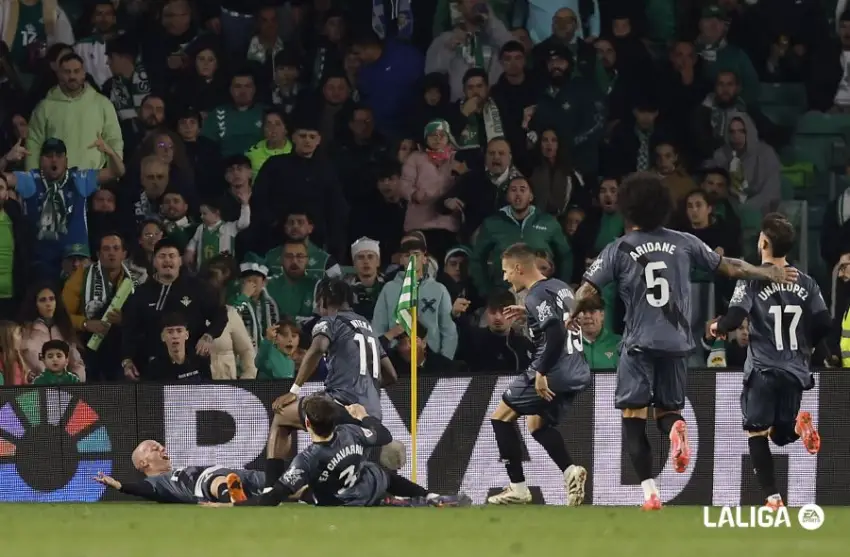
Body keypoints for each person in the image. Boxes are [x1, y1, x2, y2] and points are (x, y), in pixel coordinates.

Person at [572, 172, 799, 510]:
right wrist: (766, 271)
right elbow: (730, 267)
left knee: (633, 420)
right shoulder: (684, 241)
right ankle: (677, 427)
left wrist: (570, 312)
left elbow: (587, 290)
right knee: (668, 410)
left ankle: (650, 494)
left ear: (628, 208)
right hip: (677, 344)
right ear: (663, 206)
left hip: (638, 343)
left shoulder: (619, 247)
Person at [707, 213, 827, 510]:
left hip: (763, 367)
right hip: (796, 368)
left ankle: (773, 498)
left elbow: (735, 318)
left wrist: (718, 326)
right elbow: (825, 322)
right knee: (781, 435)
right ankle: (800, 427)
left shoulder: (752, 280)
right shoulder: (808, 283)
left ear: (763, 242)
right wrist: (806, 346)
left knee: (757, 432)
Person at [261, 279, 398, 490]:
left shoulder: (329, 322)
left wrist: (294, 390)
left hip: (339, 404)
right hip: (371, 415)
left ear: (324, 299)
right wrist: (366, 389)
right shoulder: (367, 327)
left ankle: (271, 487)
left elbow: (317, 348)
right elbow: (391, 374)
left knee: (282, 415)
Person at [216, 395, 467, 507]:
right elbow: (384, 436)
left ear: (306, 424)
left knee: (301, 488)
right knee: (379, 472)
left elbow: (274, 497)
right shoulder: (351, 432)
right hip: (367, 487)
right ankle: (430, 496)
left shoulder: (307, 458)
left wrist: (236, 507)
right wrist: (365, 417)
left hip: (341, 502)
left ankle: (392, 502)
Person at [486, 243, 590, 506]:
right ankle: (570, 472)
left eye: (507, 271)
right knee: (536, 424)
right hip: (577, 369)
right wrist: (529, 312)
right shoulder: (561, 286)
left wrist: (541, 371)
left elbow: (555, 331)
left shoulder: (535, 295)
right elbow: (562, 314)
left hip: (554, 368)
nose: (505, 277)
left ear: (519, 268)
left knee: (501, 417)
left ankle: (518, 488)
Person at [121, 238, 227, 381]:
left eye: (172, 256)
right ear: (154, 261)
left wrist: (208, 336)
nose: (167, 260)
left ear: (180, 261)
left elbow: (220, 314)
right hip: (152, 368)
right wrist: (127, 360)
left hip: (193, 366)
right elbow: (128, 329)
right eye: (162, 256)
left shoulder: (198, 288)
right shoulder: (141, 293)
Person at [93, 439, 265, 504]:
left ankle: (287, 489)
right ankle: (231, 499)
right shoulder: (156, 483)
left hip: (232, 472)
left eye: (161, 446)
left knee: (278, 481)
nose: (162, 449)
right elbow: (141, 489)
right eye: (155, 448)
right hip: (204, 482)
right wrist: (119, 485)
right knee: (215, 481)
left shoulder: (177, 470)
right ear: (143, 463)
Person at [146, 312, 211, 382]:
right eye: (170, 332)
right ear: (162, 337)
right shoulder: (155, 368)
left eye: (179, 331)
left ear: (187, 335)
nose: (175, 336)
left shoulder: (201, 362)